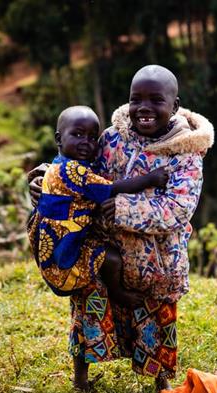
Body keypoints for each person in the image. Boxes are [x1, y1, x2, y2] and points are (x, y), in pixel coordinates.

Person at [29, 65, 213, 392]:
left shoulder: (187, 153)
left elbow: (179, 208)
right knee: (89, 310)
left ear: (174, 105)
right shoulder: (113, 138)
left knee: (155, 316)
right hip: (102, 250)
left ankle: (161, 384)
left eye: (156, 100)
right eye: (136, 99)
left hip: (156, 260)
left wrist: (125, 209)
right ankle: (80, 379)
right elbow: (80, 171)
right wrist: (45, 178)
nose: (144, 108)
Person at [27, 105, 170, 307]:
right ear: (59, 139)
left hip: (56, 247)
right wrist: (150, 179)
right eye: (78, 134)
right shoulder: (73, 170)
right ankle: (118, 293)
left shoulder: (59, 163)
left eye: (93, 137)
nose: (86, 142)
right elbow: (113, 188)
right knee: (111, 259)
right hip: (65, 257)